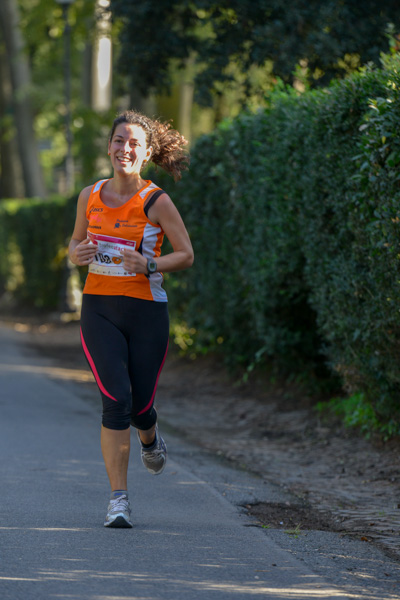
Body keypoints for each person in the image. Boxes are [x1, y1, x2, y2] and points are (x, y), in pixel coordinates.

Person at [68, 110, 194, 528]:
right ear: (109, 146)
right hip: (99, 309)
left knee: (141, 406)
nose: (125, 149)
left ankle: (150, 436)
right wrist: (76, 254)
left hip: (146, 313)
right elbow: (74, 243)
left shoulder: (157, 200)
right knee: (116, 400)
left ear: (146, 153)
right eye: (119, 140)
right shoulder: (90, 195)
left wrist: (149, 263)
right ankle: (118, 500)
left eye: (134, 144)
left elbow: (186, 254)